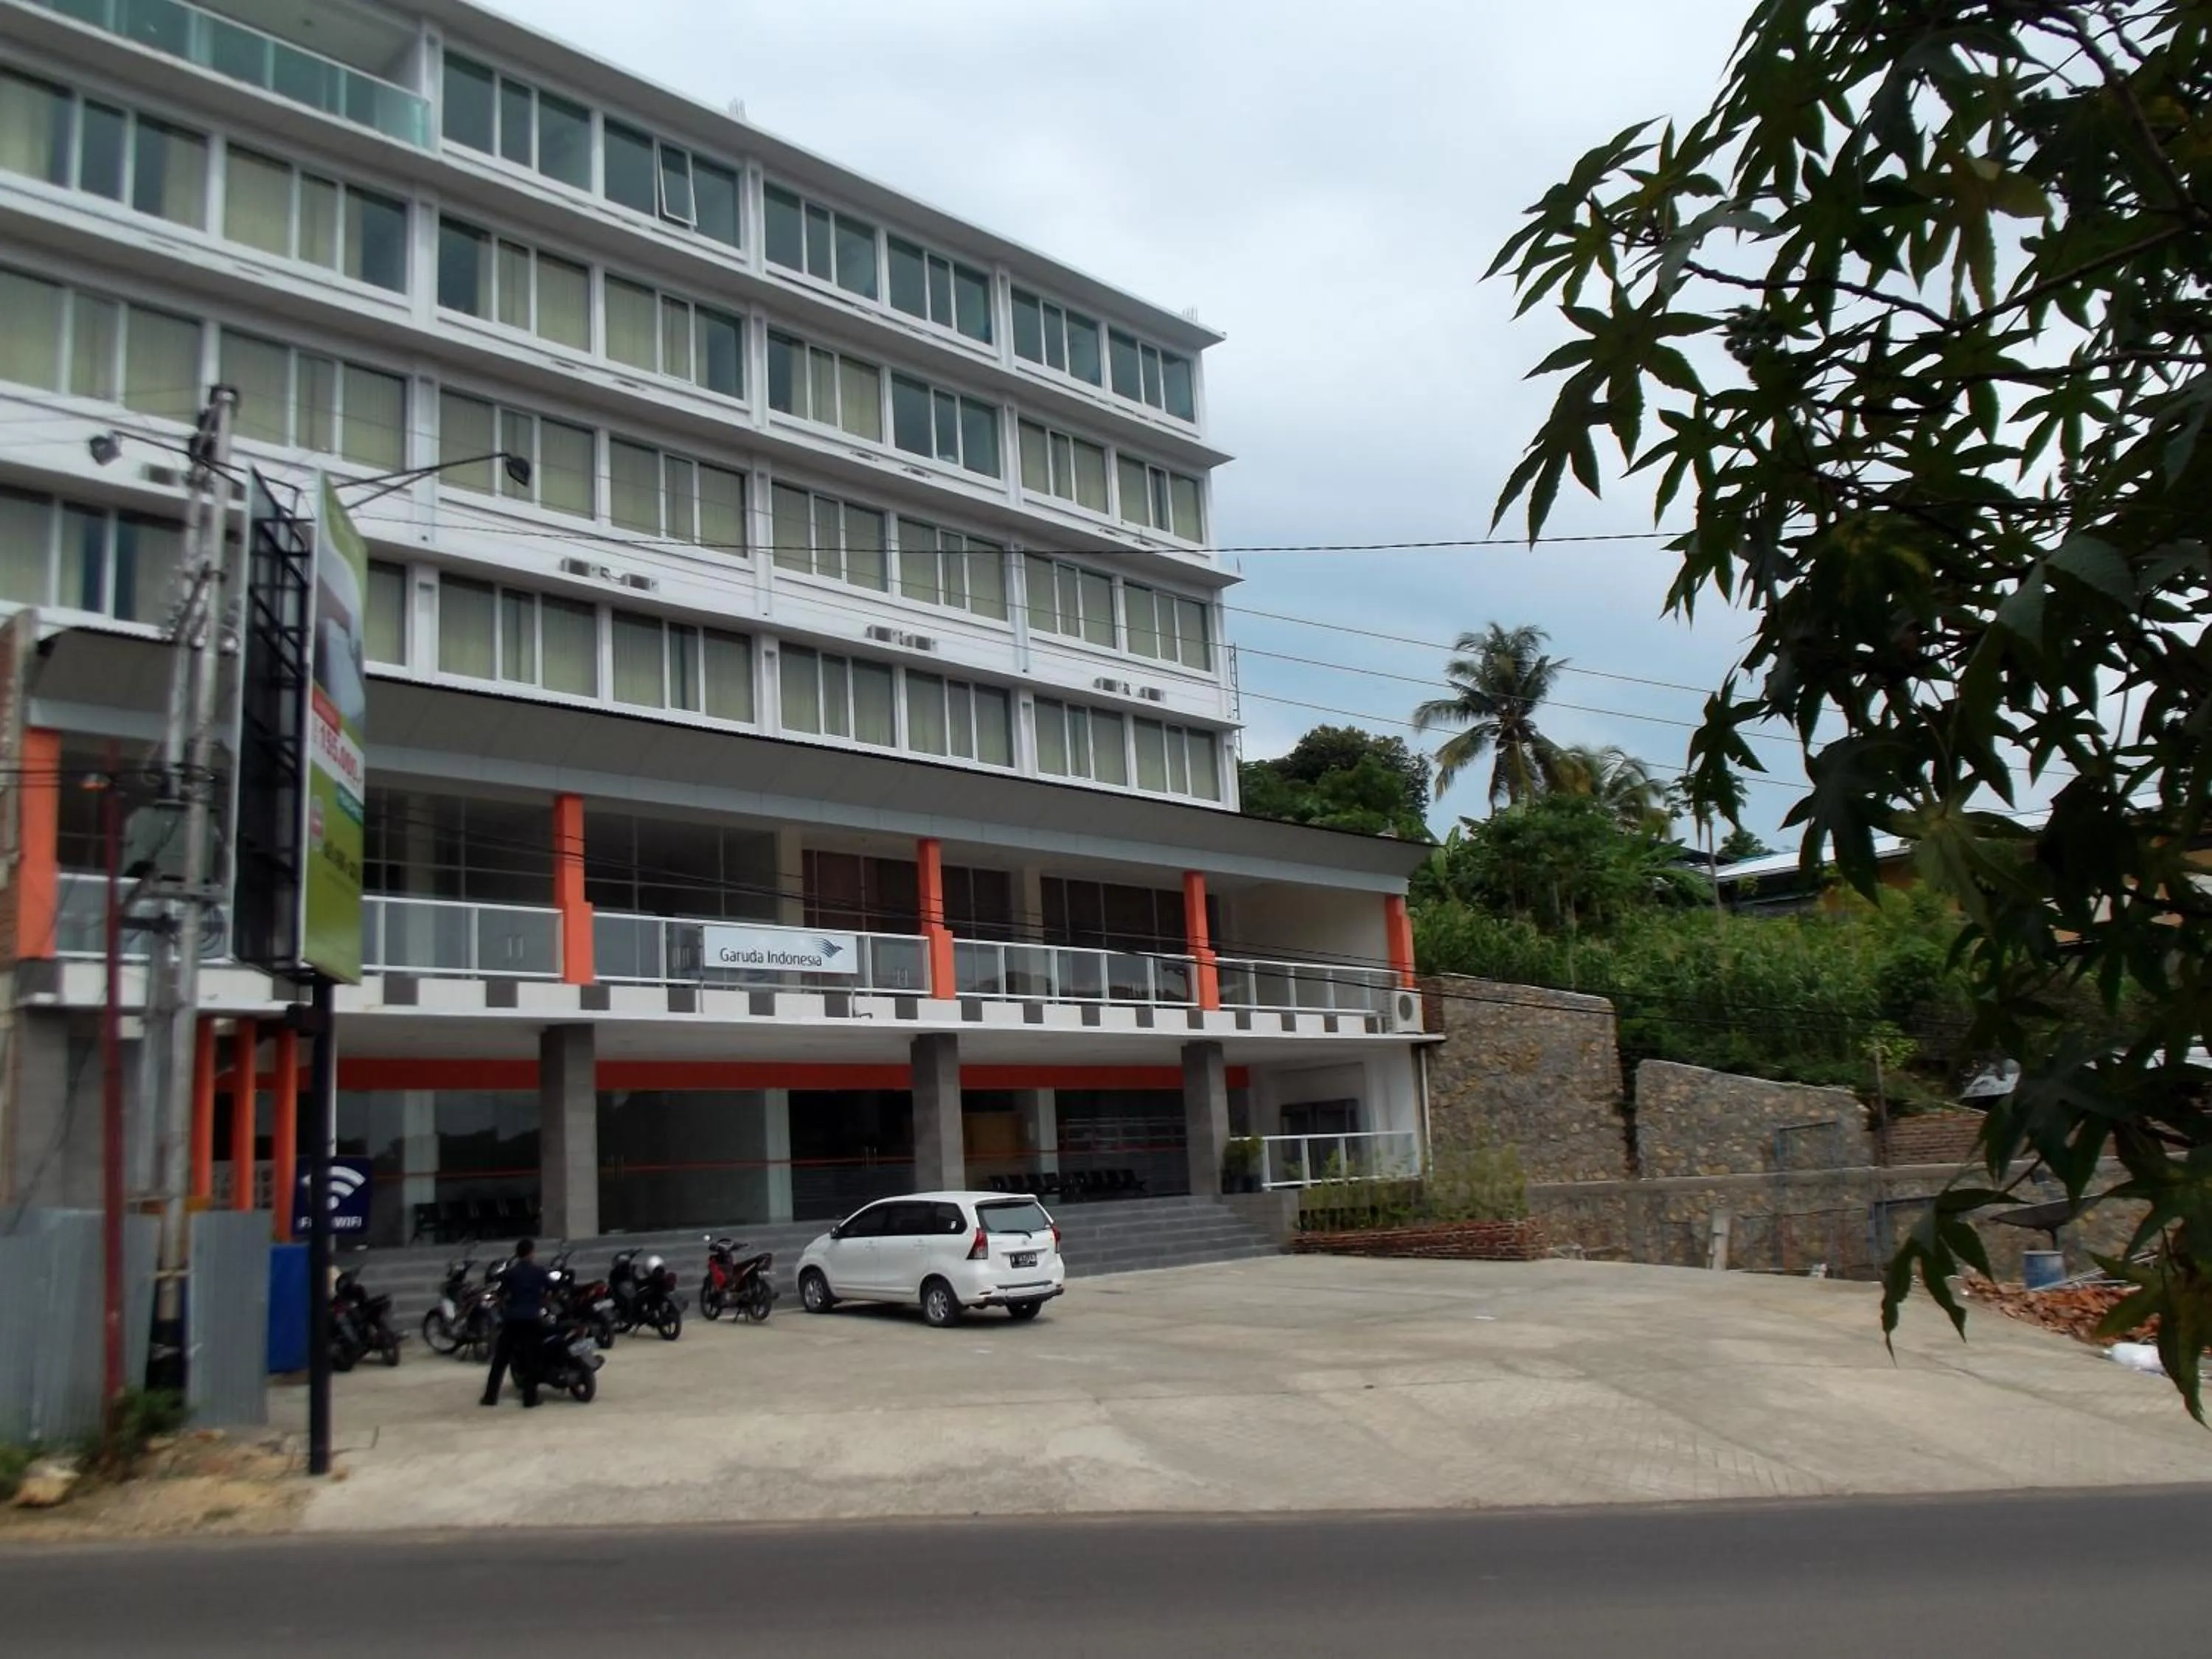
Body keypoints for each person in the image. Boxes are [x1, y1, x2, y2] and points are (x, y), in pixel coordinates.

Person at [481, 1237, 553, 1409]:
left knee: (500, 1360)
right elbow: (553, 1288)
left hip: (512, 1319)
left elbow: (500, 1294)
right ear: (531, 1253)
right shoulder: (539, 1271)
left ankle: (490, 1397)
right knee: (531, 1360)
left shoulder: (510, 1273)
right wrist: (544, 1299)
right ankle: (530, 1399)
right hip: (531, 1319)